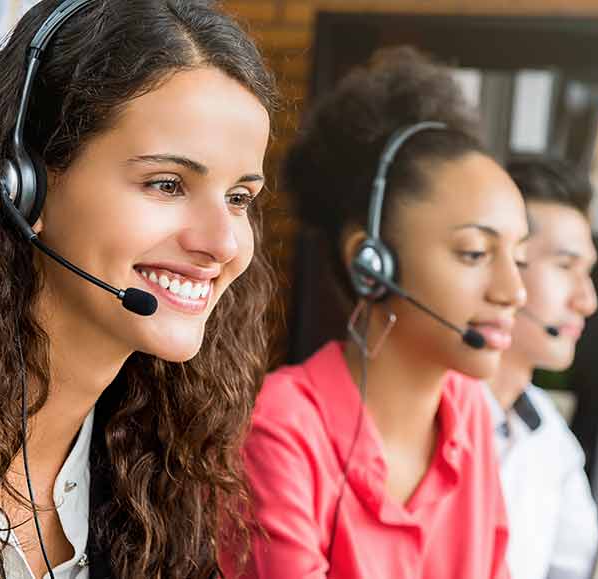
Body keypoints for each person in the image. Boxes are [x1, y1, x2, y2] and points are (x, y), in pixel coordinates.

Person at [0, 1, 277, 577]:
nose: (224, 244)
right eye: (167, 184)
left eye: (240, 199)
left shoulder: (156, 459)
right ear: (22, 185)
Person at [223, 47, 527, 578]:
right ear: (372, 263)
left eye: (518, 257)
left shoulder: (469, 412)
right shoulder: (282, 431)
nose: (514, 290)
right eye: (475, 253)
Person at [486, 157, 598, 579]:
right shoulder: (421, 412)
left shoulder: (553, 441)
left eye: (588, 273)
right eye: (565, 266)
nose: (587, 301)